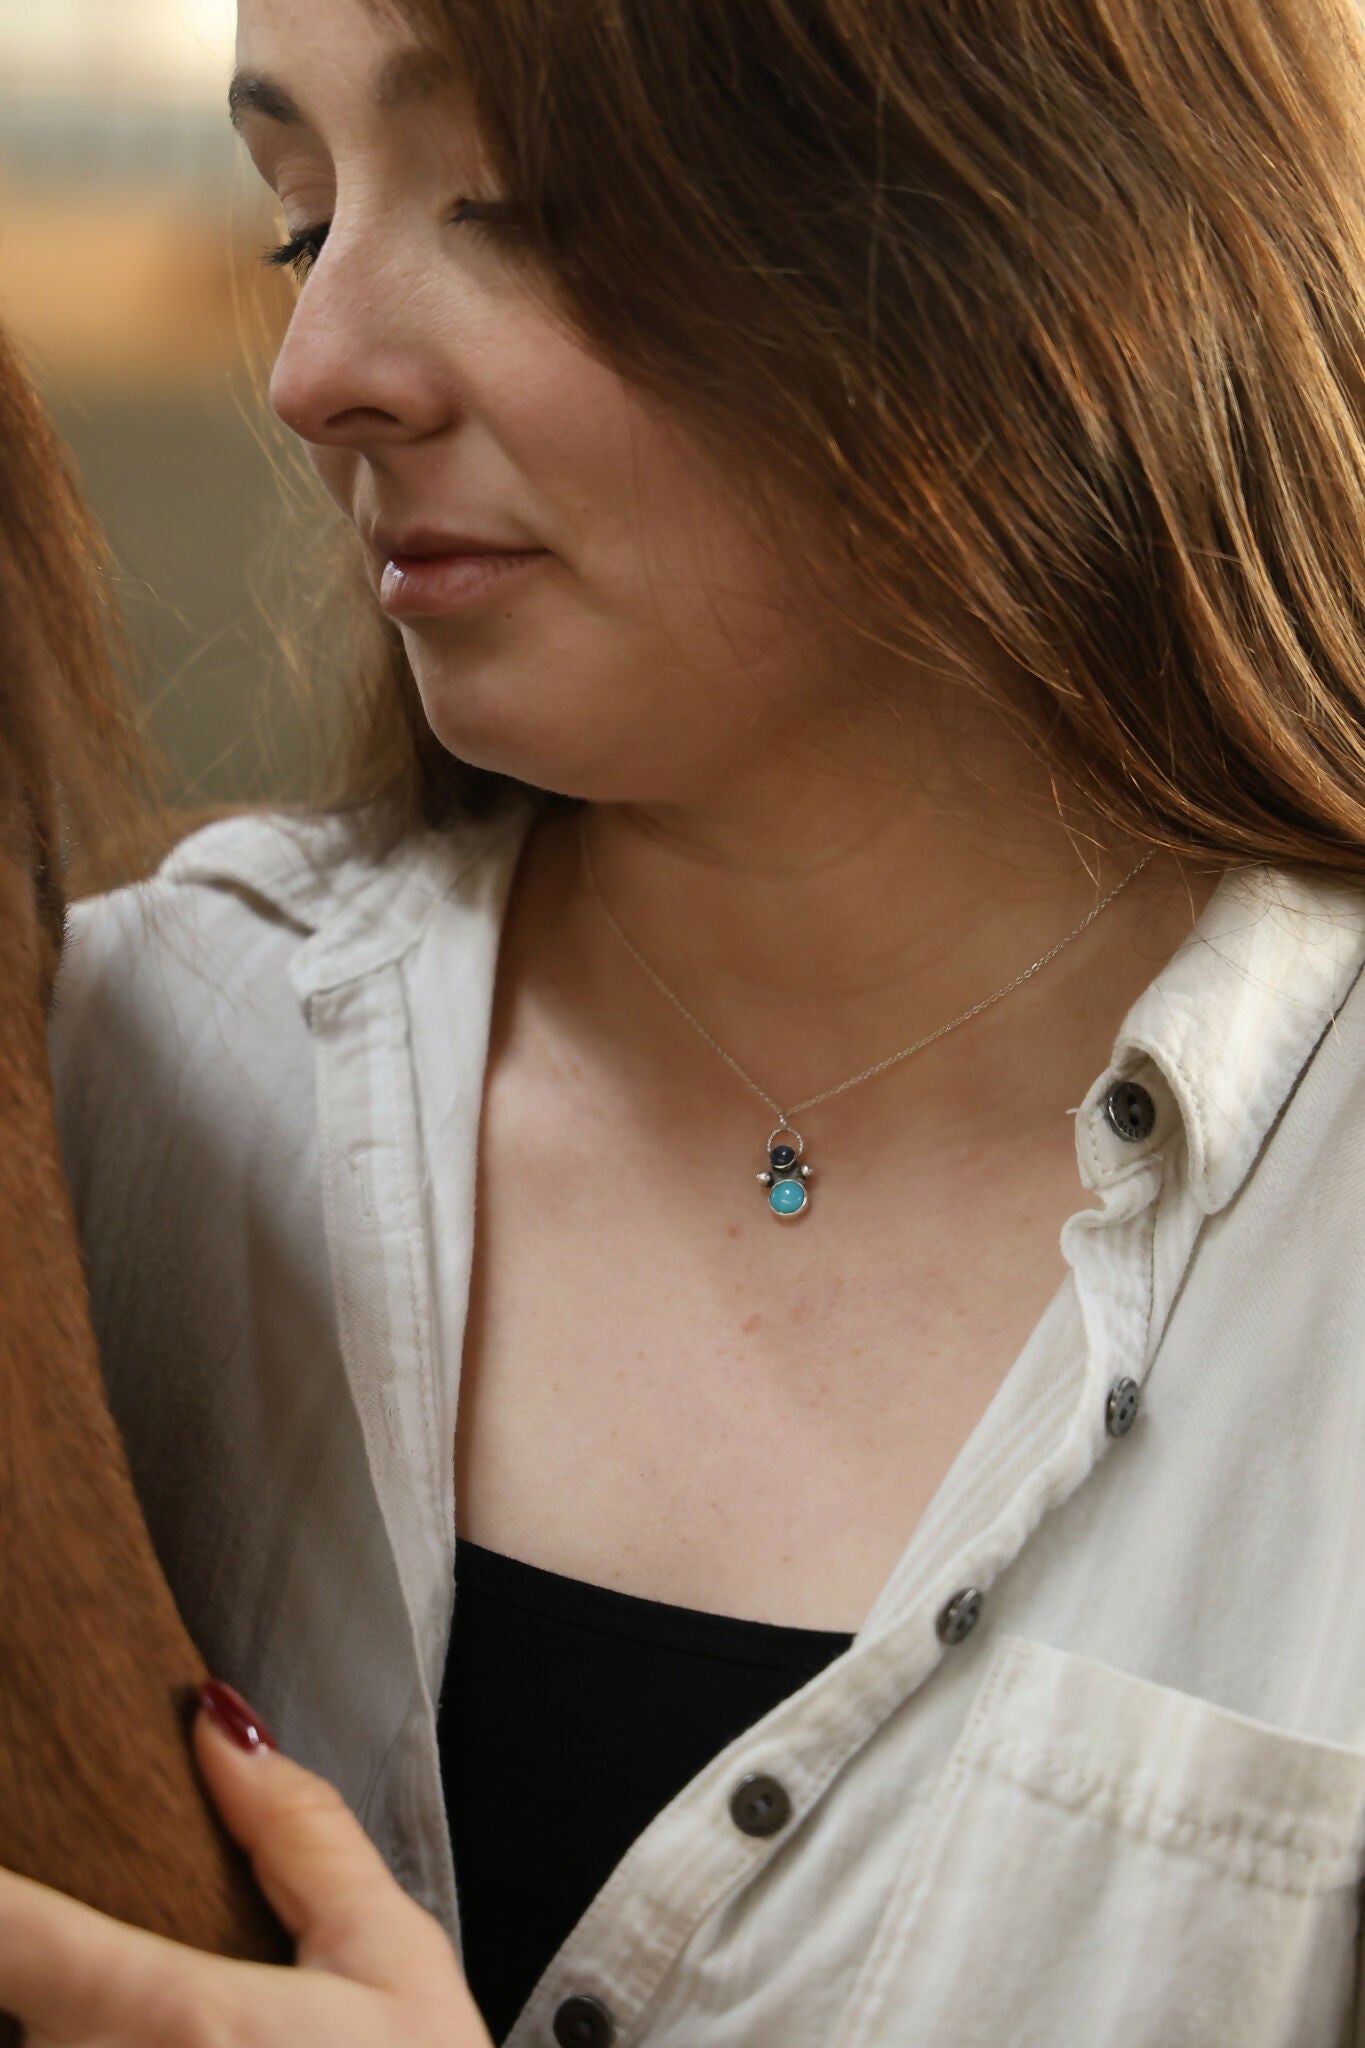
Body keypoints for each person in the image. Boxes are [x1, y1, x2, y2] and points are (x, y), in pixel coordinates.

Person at [7, 0, 1365, 2039]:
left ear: (1041, 219)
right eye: (299, 224)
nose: (317, 374)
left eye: (519, 205)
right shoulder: (124, 1080)